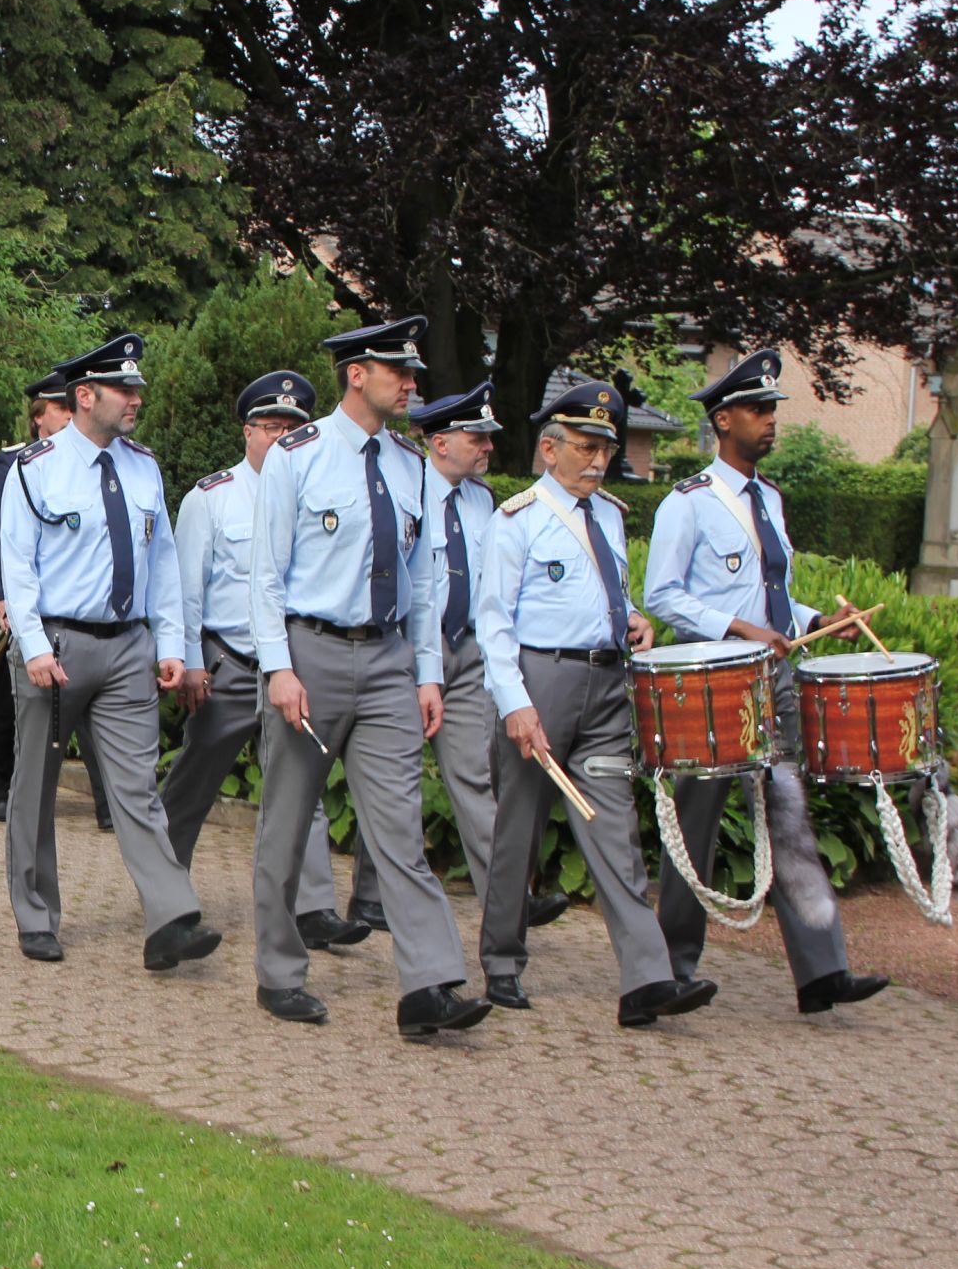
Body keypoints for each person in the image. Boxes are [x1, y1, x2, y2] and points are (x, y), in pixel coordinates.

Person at [248, 317, 488, 1035]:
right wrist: (279, 667)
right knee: (287, 827)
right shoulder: (298, 455)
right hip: (311, 654)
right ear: (357, 374)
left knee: (399, 832)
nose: (411, 383)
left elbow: (423, 582)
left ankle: (429, 986)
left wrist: (427, 673)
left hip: (387, 661)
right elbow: (265, 576)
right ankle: (279, 974)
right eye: (398, 371)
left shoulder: (412, 463)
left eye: (411, 372)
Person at [644, 349, 891, 1017]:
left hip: (774, 679)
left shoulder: (771, 499)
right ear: (724, 420)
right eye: (758, 409)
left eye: (772, 409)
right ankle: (668, 970)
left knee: (788, 814)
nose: (770, 420)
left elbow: (772, 597)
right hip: (716, 684)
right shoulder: (688, 504)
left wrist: (818, 621)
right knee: (693, 824)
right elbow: (661, 594)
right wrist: (738, 628)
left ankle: (822, 972)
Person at [475, 377, 711, 1028]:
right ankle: (501, 960)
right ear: (550, 449)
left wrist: (632, 617)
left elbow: (604, 592)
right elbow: (492, 622)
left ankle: (647, 979)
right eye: (585, 447)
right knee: (518, 828)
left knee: (614, 831)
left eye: (605, 448)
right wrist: (515, 703)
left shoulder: (608, 514)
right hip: (540, 681)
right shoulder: (516, 520)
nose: (599, 460)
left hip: (606, 685)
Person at [0, 333, 211, 970]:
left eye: (137, 387)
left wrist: (170, 644)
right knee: (35, 788)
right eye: (124, 388)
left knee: (137, 789)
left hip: (128, 648)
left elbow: (163, 561)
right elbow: (17, 566)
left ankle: (171, 918)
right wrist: (33, 646)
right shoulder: (35, 467)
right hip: (58, 646)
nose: (136, 398)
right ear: (86, 395)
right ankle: (36, 915)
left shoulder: (143, 465)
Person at [160, 370, 372, 948]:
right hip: (228, 665)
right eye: (270, 426)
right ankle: (165, 893)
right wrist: (191, 660)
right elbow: (186, 590)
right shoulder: (210, 498)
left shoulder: (312, 493)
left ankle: (313, 908)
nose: (281, 437)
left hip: (290, 668)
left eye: (291, 427)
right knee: (194, 781)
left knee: (301, 787)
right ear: (247, 432)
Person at [409, 383, 570, 1008]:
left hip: (470, 650)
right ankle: (371, 897)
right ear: (439, 442)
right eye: (476, 436)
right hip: (411, 652)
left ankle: (509, 901)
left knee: (474, 778)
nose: (488, 446)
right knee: (391, 779)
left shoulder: (485, 502)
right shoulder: (404, 490)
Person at [0, 374, 113, 829]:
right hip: (27, 603)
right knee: (8, 701)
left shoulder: (96, 460)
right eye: (61, 407)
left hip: (78, 607)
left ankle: (108, 805)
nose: (71, 415)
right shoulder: (17, 462)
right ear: (39, 417)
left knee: (92, 707)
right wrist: (2, 597)